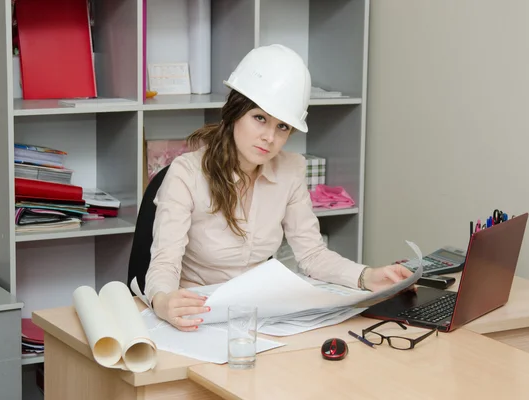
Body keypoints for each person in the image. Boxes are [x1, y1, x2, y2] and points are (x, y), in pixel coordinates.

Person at [145, 44, 413, 331]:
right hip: (201, 313)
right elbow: (165, 263)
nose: (269, 138)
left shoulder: (290, 170)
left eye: (283, 127)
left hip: (263, 315)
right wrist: (163, 300)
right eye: (259, 118)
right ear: (234, 113)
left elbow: (312, 255)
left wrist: (368, 276)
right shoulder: (186, 174)